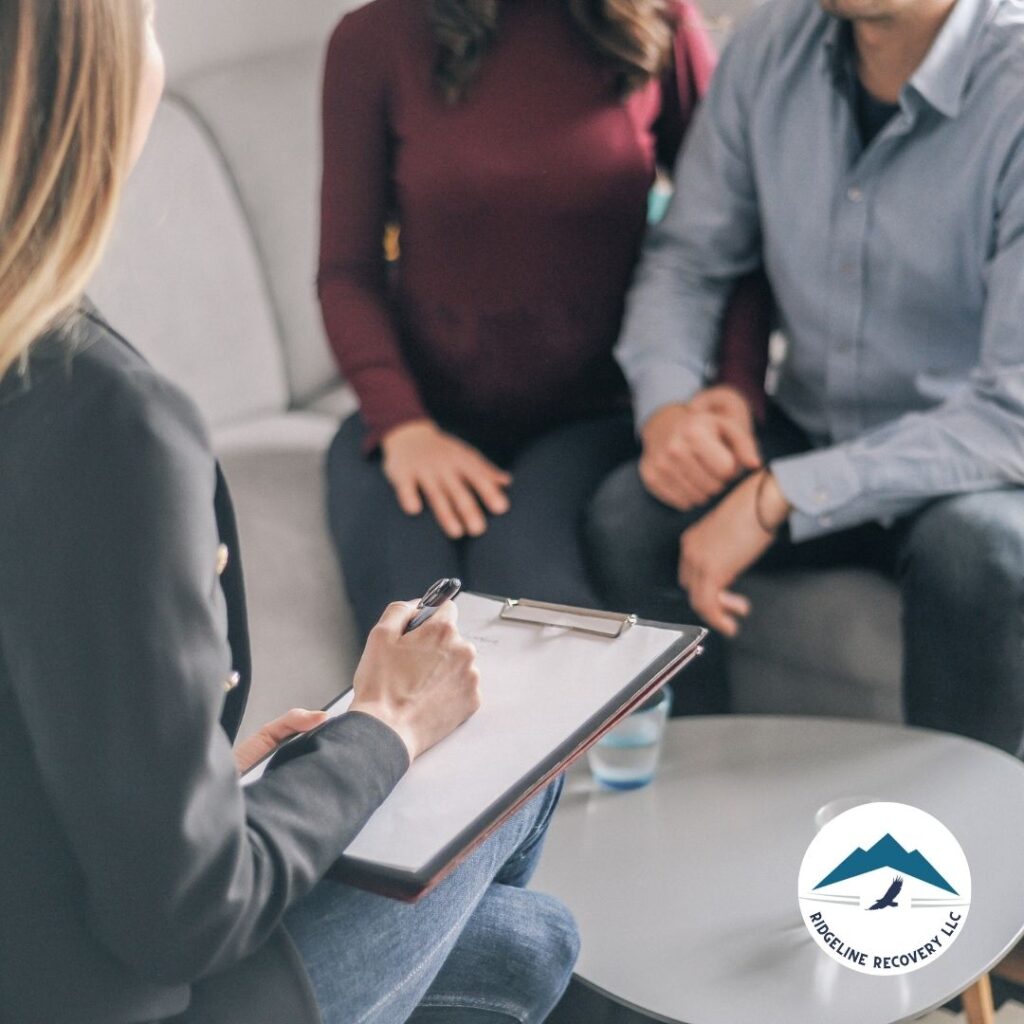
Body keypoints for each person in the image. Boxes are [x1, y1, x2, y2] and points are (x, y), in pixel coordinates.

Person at [0, 3, 578, 1023]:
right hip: (119, 990)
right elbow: (183, 918)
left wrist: (197, 774)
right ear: (84, 89)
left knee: (529, 947)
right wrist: (388, 724)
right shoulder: (105, 423)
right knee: (522, 767)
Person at [586, 0, 1024, 753]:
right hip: (814, 422)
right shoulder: (769, 45)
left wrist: (782, 495)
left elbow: (1012, 411)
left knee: (976, 552)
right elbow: (690, 261)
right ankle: (710, 802)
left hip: (972, 464)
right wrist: (668, 409)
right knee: (631, 519)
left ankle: (963, 852)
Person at [319, 0, 773, 673]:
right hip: (423, 415)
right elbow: (346, 272)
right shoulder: (373, 38)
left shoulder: (658, 22)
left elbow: (733, 234)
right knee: (406, 642)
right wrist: (403, 424)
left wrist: (735, 389)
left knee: (533, 604)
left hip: (596, 416)